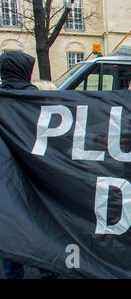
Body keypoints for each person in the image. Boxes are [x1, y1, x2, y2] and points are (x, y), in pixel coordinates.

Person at [0, 51, 57, 279]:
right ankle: (47, 269)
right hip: (35, 173)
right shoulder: (36, 100)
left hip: (5, 174)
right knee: (39, 223)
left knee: (9, 223)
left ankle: (13, 273)